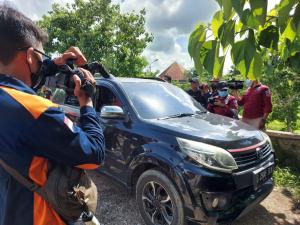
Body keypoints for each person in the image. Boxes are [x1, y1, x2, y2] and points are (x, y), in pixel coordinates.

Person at [0, 5, 105, 225]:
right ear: (29, 56)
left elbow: (23, 79)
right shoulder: (35, 110)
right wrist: (87, 102)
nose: (42, 67)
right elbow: (94, 153)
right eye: (40, 59)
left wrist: (51, 64)